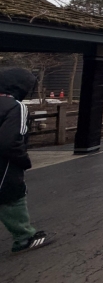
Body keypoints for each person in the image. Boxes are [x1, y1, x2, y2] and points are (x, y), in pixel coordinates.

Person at [0, 68, 50, 254]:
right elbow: (10, 141)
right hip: (4, 165)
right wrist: (23, 161)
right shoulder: (16, 107)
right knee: (13, 197)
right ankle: (25, 237)